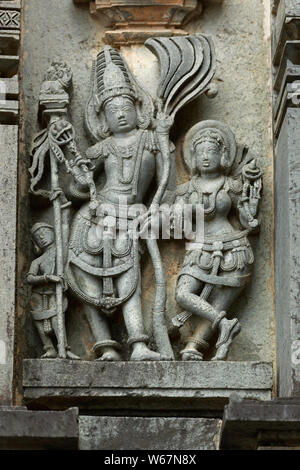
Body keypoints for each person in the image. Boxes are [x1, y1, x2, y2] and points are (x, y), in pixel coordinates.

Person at [65, 46, 174, 361]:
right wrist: (80, 180)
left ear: (138, 109)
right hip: (94, 218)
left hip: (131, 219)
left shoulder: (152, 141)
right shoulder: (101, 148)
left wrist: (157, 213)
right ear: (102, 118)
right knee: (82, 277)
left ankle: (138, 344)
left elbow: (166, 189)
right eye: (113, 110)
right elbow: (77, 190)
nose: (121, 113)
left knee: (131, 279)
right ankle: (106, 344)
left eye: (126, 106)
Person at [174, 120, 262, 361]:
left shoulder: (231, 186)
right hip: (199, 249)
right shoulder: (184, 191)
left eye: (211, 151)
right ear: (192, 156)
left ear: (222, 155)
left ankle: (195, 346)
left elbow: (247, 222)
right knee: (182, 294)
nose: (205, 157)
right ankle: (225, 326)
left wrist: (250, 210)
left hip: (234, 250)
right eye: (200, 151)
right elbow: (178, 227)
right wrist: (176, 216)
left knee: (220, 300)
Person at [27, 198, 79, 359]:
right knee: (38, 321)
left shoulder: (60, 250)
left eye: (44, 232)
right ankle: (48, 347)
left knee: (57, 319)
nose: (41, 237)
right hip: (39, 293)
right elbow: (30, 278)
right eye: (37, 237)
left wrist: (63, 207)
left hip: (54, 294)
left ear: (52, 231)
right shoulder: (38, 261)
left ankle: (64, 347)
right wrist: (47, 277)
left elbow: (64, 225)